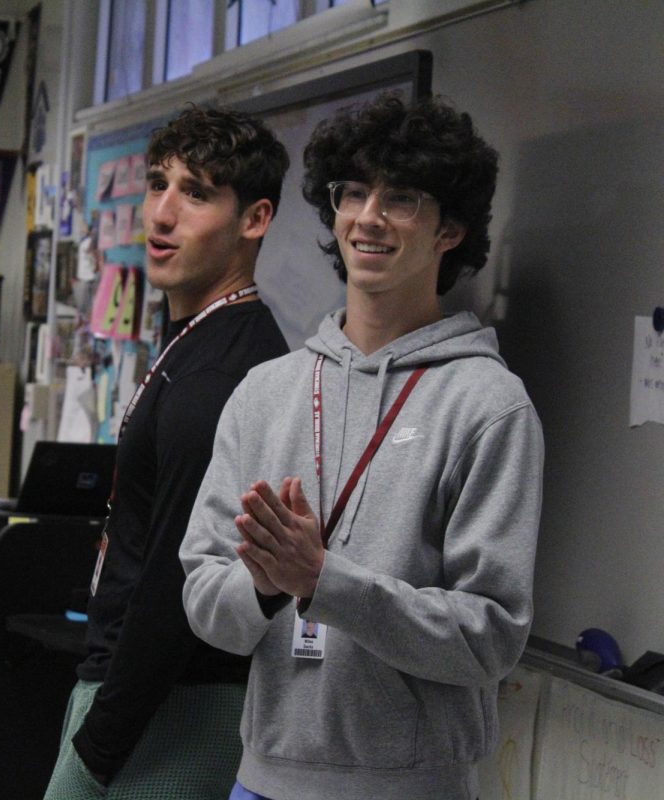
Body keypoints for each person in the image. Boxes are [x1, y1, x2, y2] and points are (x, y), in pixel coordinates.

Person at [180, 93, 544, 800]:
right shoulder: (266, 390)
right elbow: (204, 600)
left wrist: (323, 583)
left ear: (450, 231)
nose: (368, 217)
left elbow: (490, 636)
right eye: (353, 193)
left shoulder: (489, 405)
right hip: (260, 782)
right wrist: (263, 584)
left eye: (402, 198)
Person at [43, 106, 291, 799]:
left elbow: (178, 581)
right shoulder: (198, 342)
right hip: (133, 690)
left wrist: (97, 748)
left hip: (170, 706)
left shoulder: (221, 374)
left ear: (255, 219)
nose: (161, 214)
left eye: (197, 193)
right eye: (158, 185)